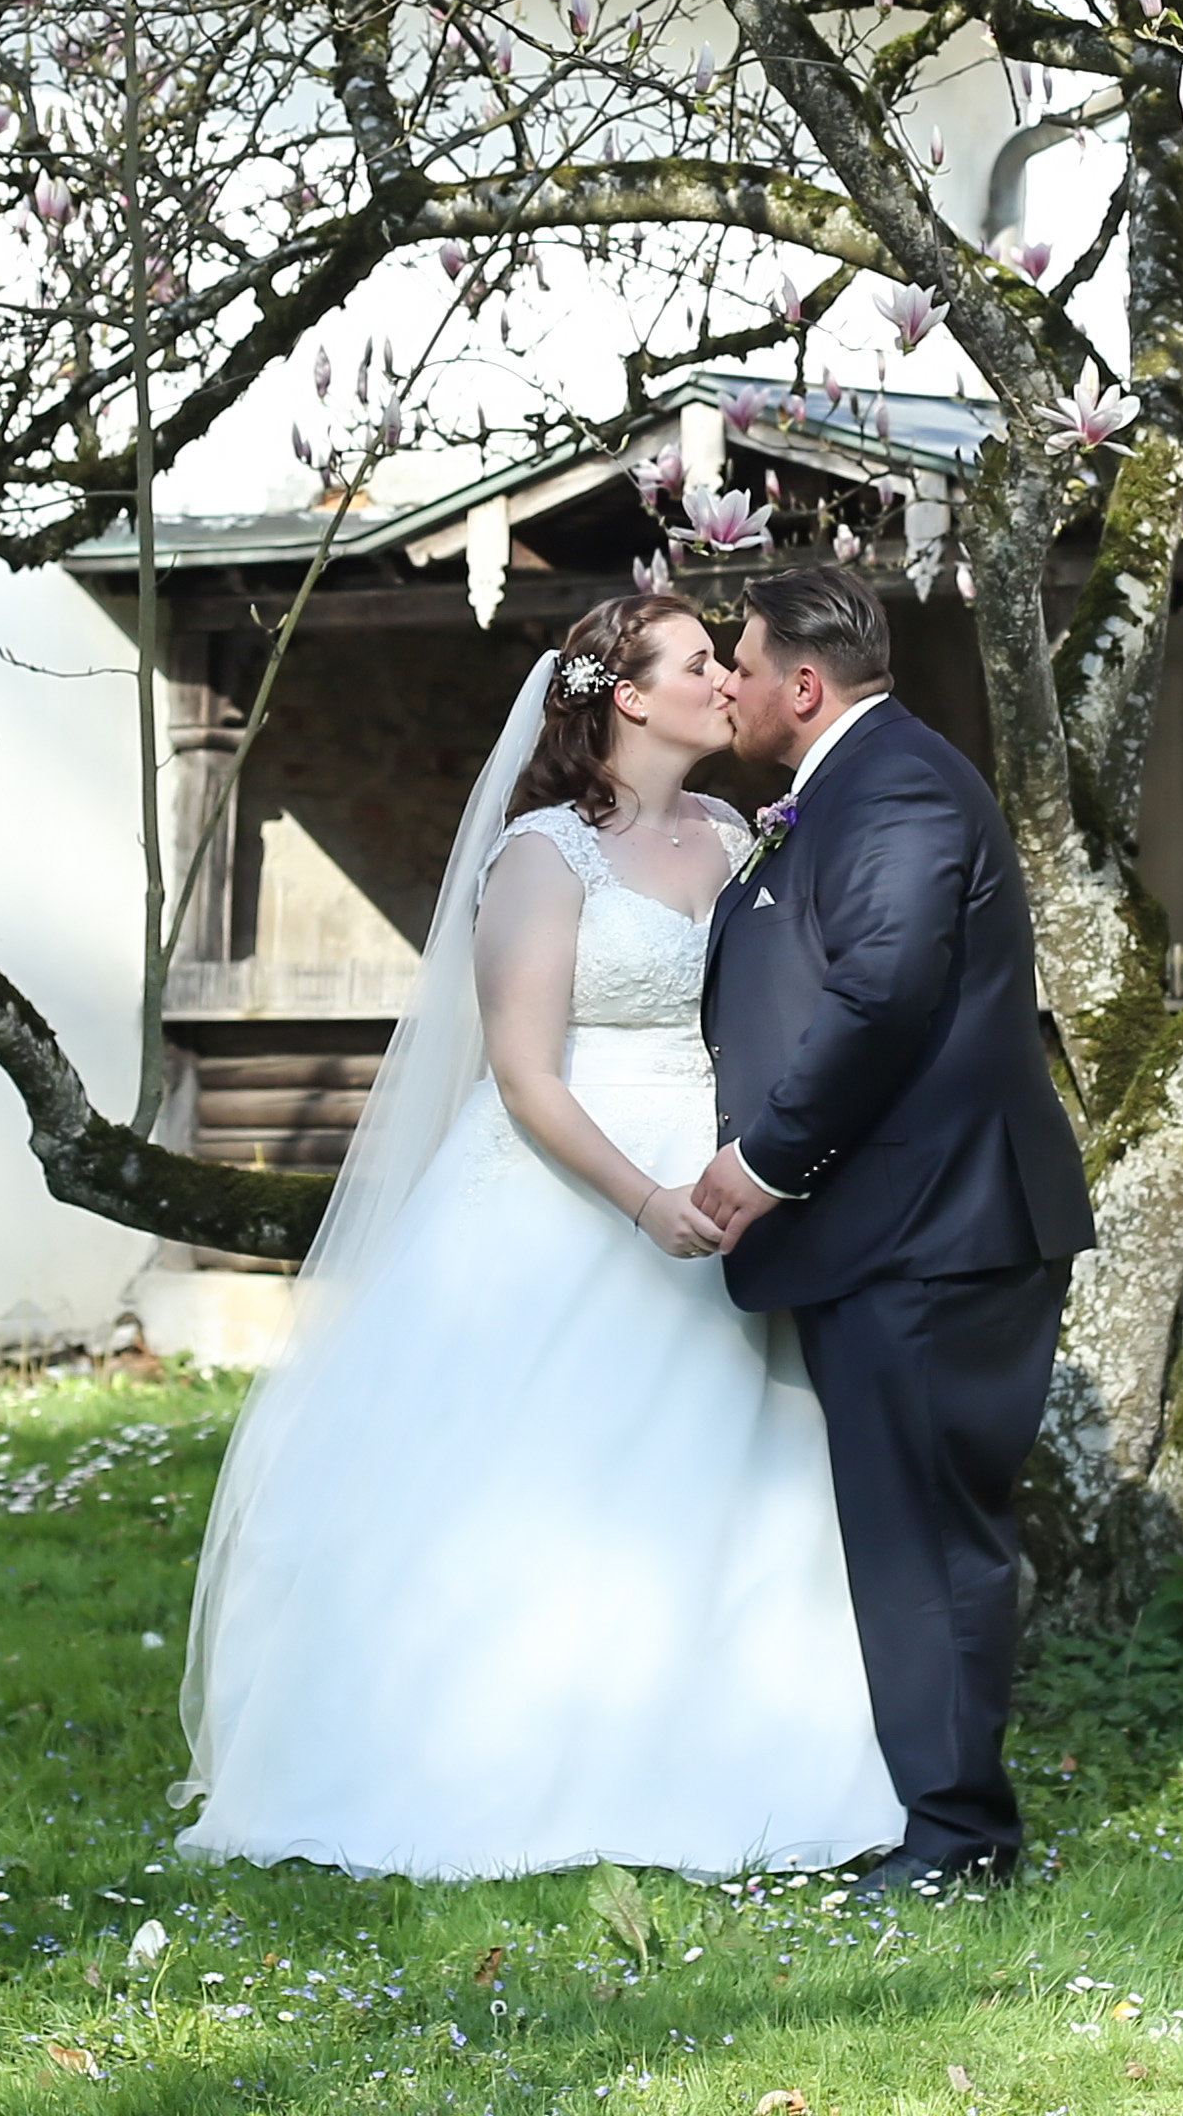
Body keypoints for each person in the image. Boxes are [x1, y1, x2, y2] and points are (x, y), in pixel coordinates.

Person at [175, 589, 902, 1879]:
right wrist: (645, 1201)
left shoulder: (738, 833)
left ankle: (734, 1760)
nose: (727, 680)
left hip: (726, 1178)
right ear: (629, 696)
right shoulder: (544, 856)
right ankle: (496, 1759)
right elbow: (523, 1076)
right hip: (578, 1189)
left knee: (729, 1471)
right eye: (699, 662)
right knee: (544, 1471)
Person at [685, 560, 1098, 1902]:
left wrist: (766, 1158)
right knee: (901, 1529)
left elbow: (884, 993)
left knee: (927, 1538)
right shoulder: (844, 786)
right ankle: (923, 1808)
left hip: (934, 1229)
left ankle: (959, 1841)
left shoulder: (901, 788)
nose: (729, 687)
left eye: (742, 665)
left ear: (805, 686)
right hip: (893, 1226)